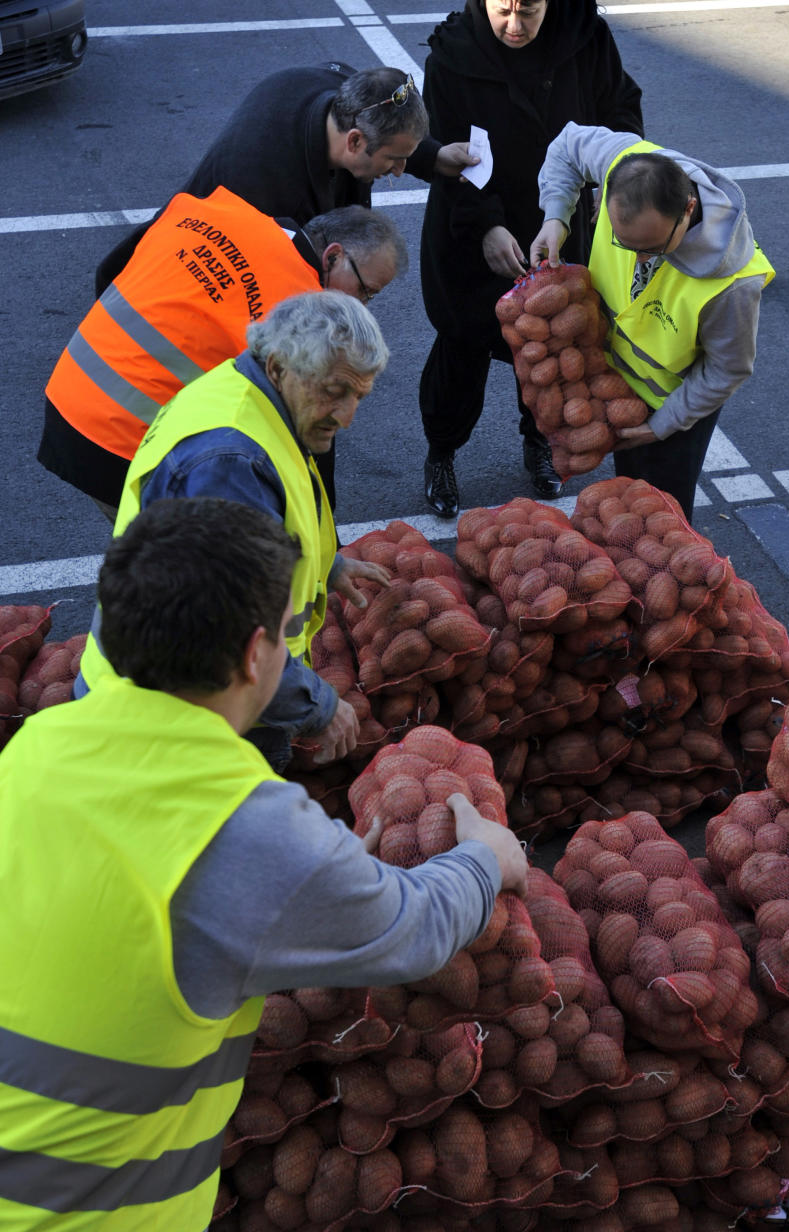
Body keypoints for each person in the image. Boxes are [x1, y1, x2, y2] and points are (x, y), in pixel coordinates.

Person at [0, 495, 528, 1231]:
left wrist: (313, 877)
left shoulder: (37, 748)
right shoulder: (239, 822)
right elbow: (413, 928)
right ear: (256, 656)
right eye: (287, 636)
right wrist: (484, 859)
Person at [75, 290, 392, 774]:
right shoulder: (229, 463)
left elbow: (273, 512)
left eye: (359, 397)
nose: (347, 417)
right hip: (173, 721)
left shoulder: (249, 396)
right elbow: (223, 629)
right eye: (334, 391)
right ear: (280, 367)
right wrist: (316, 708)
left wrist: (327, 564)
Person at [418, 0, 644, 518]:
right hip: (474, 226)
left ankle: (539, 442)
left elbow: (622, 111)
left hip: (563, 222)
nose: (515, 25)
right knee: (462, 347)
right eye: (503, 10)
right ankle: (442, 453)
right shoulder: (452, 56)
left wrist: (593, 186)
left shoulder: (586, 36)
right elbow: (449, 151)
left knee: (551, 345)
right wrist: (488, 226)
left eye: (529, 12)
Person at [39, 195, 407, 517]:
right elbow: (299, 432)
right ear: (333, 256)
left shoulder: (223, 211)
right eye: (365, 291)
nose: (361, 306)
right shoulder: (300, 313)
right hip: (118, 438)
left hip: (69, 390)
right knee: (174, 578)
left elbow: (112, 267)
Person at [531, 124, 775, 521]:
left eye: (652, 248)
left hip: (674, 408)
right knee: (626, 501)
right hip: (614, 385)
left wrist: (662, 425)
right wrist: (556, 216)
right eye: (625, 245)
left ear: (688, 210)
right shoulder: (625, 163)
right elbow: (566, 146)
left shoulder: (734, 285)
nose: (640, 260)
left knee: (664, 519)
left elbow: (728, 368)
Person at [94, 64, 474, 296]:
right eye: (394, 160)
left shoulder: (340, 91)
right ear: (355, 141)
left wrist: (433, 156)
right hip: (188, 279)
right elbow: (267, 309)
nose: (398, 170)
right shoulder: (262, 194)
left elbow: (389, 126)